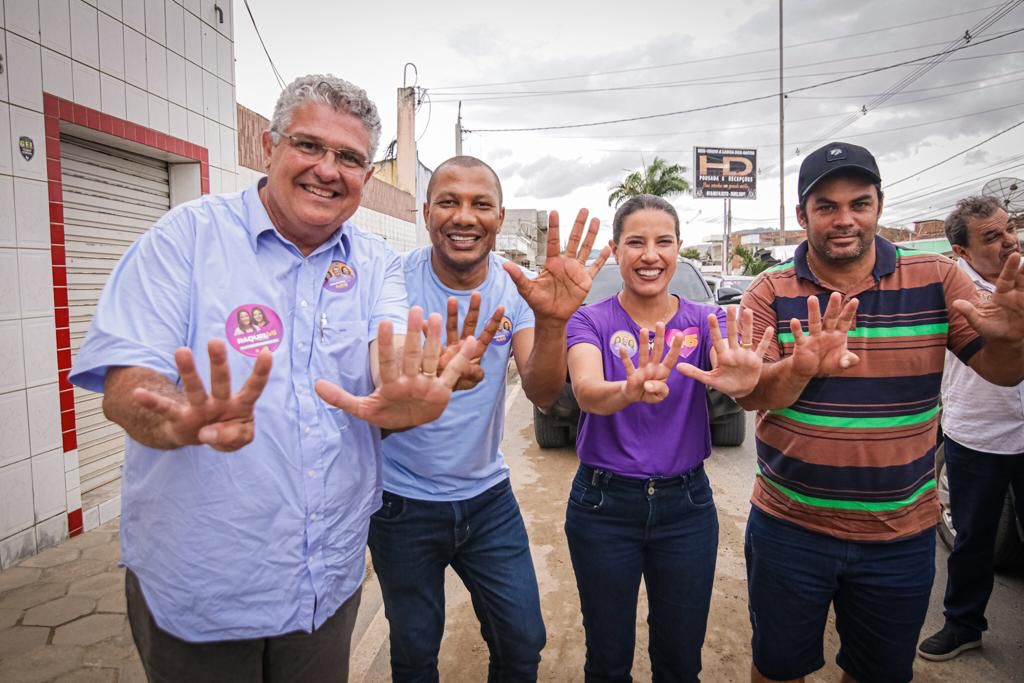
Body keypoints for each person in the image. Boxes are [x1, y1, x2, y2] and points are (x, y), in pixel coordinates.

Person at [68, 75, 476, 683]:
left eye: (350, 158)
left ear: (367, 175)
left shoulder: (375, 264)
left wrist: (408, 395)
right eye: (309, 146)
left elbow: (383, 360)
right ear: (268, 146)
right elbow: (127, 387)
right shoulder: (185, 239)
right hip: (202, 584)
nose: (327, 170)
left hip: (325, 581)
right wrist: (178, 418)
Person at [736, 142, 1024, 683]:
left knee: (880, 673)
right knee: (777, 668)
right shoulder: (770, 289)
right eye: (826, 206)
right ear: (802, 216)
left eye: (859, 204)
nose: (844, 220)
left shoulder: (938, 276)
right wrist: (801, 368)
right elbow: (753, 394)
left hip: (900, 535)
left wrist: (1016, 339)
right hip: (788, 527)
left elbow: (1003, 372)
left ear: (879, 207)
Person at [368, 155, 609, 682]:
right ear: (427, 212)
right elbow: (384, 385)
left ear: (500, 218)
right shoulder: (393, 280)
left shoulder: (515, 287)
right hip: (400, 504)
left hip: (487, 501)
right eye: (449, 202)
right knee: (413, 652)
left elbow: (545, 393)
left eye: (481, 204)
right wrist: (434, 371)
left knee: (522, 642)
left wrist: (552, 321)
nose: (464, 216)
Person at [564, 194, 772, 682]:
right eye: (635, 242)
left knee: (680, 661)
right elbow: (588, 392)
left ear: (679, 249)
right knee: (608, 659)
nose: (650, 255)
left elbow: (739, 381)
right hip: (602, 507)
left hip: (687, 508)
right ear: (617, 250)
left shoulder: (707, 321)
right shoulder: (589, 320)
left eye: (663, 242)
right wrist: (627, 390)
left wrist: (748, 384)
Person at [917, 196, 1024, 662]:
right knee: (972, 540)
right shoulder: (950, 290)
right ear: (960, 250)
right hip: (975, 436)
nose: (1008, 241)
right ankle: (963, 625)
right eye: (992, 237)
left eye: (1009, 229)